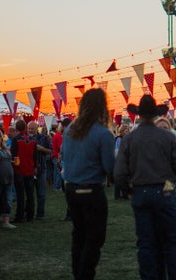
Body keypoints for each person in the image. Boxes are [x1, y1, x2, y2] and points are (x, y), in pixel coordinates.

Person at [114, 95, 176, 280]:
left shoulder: (130, 139)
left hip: (141, 192)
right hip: (165, 191)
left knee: (146, 243)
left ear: (138, 115)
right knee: (171, 242)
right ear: (156, 115)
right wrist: (168, 182)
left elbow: (119, 173)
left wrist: (129, 191)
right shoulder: (167, 137)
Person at [61, 88, 116, 280]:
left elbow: (64, 158)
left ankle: (78, 275)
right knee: (94, 239)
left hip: (71, 189)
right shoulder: (103, 133)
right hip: (91, 191)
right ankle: (85, 276)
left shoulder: (69, 130)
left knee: (79, 237)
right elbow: (109, 166)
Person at [11, 120, 37, 223]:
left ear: (17, 128)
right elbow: (35, 155)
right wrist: (35, 166)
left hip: (19, 170)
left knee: (20, 194)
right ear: (25, 127)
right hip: (30, 169)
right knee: (30, 194)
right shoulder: (32, 139)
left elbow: (13, 154)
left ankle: (20, 216)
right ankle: (30, 215)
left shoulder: (16, 139)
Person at [28, 120, 52, 219]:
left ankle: (40, 214)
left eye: (32, 128)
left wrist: (41, 148)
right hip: (28, 170)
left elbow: (50, 151)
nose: (30, 130)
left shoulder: (44, 138)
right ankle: (29, 213)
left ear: (37, 128)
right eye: (29, 128)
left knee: (41, 193)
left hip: (41, 168)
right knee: (29, 194)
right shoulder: (25, 138)